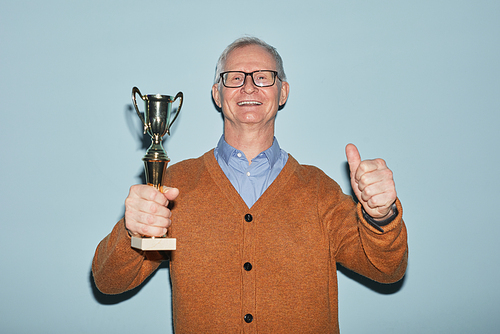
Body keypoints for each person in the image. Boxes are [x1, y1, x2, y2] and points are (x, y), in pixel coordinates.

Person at [92, 36, 408, 333]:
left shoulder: (319, 190)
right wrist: (131, 231)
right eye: (234, 77)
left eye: (263, 77)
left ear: (283, 92)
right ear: (217, 93)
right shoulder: (174, 186)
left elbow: (387, 270)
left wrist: (382, 216)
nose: (248, 87)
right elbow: (108, 280)